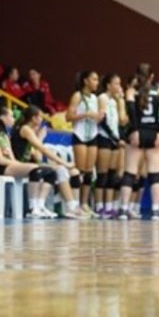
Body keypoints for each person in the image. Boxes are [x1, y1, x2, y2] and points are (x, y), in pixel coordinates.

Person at [0, 106, 80, 219]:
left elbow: (34, 155)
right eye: (10, 116)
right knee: (44, 169)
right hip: (6, 167)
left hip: (15, 164)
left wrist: (47, 162)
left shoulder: (5, 135)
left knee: (53, 171)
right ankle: (37, 207)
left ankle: (41, 206)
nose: (13, 119)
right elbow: (42, 149)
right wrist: (64, 163)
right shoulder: (21, 130)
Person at [119, 64, 159, 220]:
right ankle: (155, 210)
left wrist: (135, 130)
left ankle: (124, 210)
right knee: (155, 173)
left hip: (138, 133)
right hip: (154, 133)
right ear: (152, 76)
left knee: (129, 172)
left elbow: (131, 111)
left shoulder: (131, 91)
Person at [66, 70, 100, 217]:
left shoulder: (96, 98)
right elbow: (68, 116)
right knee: (79, 170)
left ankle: (84, 203)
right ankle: (75, 204)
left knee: (88, 171)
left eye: (98, 80)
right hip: (80, 134)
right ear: (86, 81)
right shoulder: (77, 96)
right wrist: (85, 114)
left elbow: (98, 116)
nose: (97, 82)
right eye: (94, 79)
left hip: (93, 134)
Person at [93, 73, 126, 217]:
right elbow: (102, 120)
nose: (119, 87)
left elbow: (121, 122)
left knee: (113, 175)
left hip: (115, 139)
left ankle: (109, 205)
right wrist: (113, 137)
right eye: (116, 84)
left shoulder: (115, 101)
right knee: (103, 174)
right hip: (105, 137)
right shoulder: (102, 98)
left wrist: (121, 102)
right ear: (108, 85)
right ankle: (99, 206)